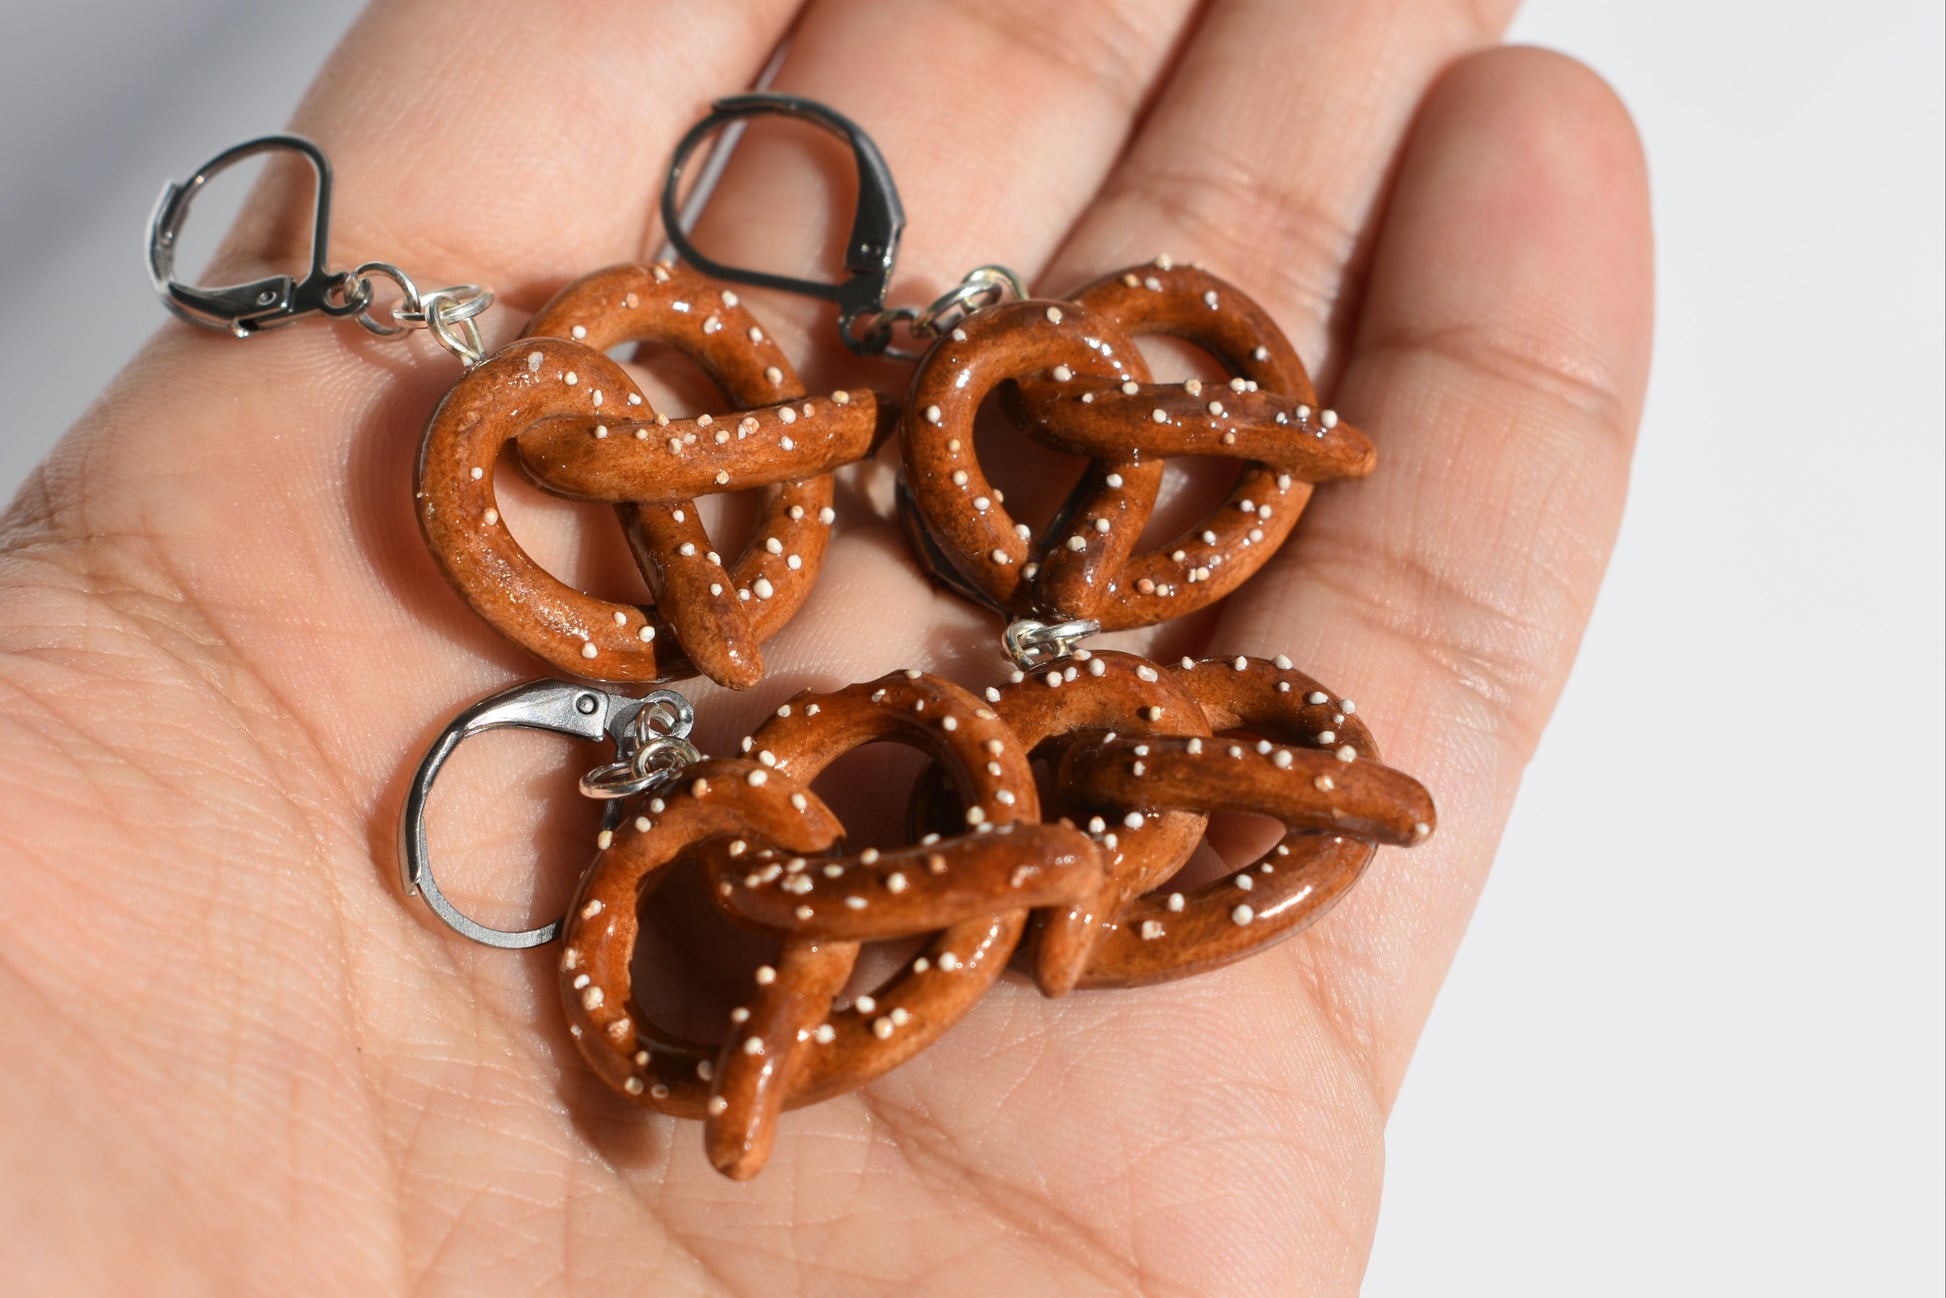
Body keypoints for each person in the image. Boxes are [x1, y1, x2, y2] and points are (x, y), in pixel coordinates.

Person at [0, 1, 1651, 1292]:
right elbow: (738, 627)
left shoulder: (953, 700)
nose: (727, 636)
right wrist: (707, 628)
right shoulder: (786, 661)